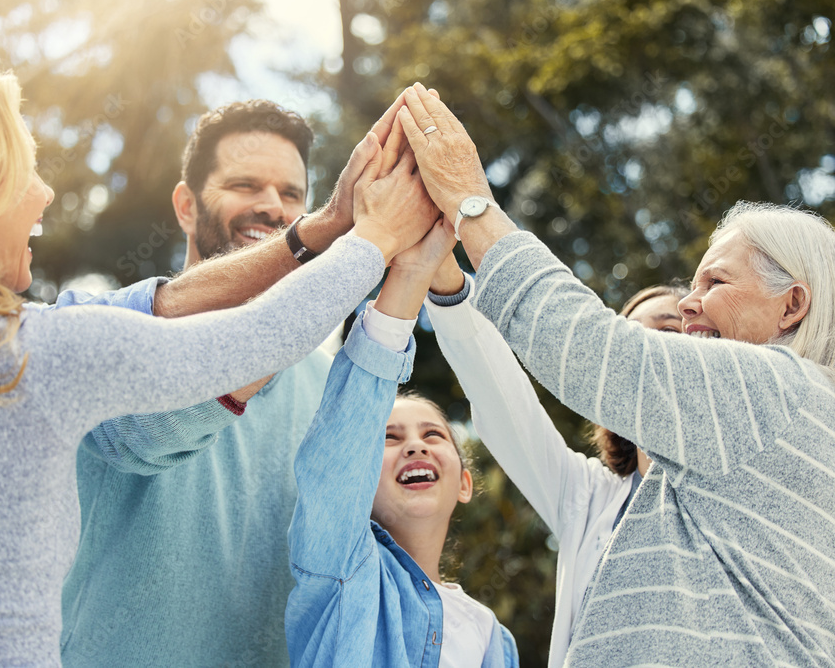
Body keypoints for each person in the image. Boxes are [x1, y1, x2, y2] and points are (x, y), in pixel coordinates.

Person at [0, 59, 436, 666]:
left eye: (290, 193)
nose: (44, 191)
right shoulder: (37, 357)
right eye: (22, 170)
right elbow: (261, 334)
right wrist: (375, 234)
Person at [397, 82, 835, 665]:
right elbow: (510, 406)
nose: (685, 307)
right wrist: (445, 283)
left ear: (792, 305)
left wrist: (469, 200)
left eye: (716, 283)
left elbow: (585, 344)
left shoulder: (775, 389)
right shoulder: (636, 493)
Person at [59, 98, 416, 666]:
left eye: (292, 195)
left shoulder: (334, 386)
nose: (273, 208)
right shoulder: (103, 333)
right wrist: (328, 238)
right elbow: (147, 431)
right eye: (245, 185)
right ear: (185, 204)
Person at [285, 198, 519, 667]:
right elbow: (339, 454)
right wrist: (413, 273)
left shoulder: (493, 639)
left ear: (465, 483)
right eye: (388, 439)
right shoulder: (341, 572)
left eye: (434, 435)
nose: (414, 443)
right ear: (361, 478)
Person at [424, 272, 686, 667]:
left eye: (669, 329)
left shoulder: (752, 485)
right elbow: (501, 396)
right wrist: (442, 275)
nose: (643, 345)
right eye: (628, 334)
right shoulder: (588, 497)